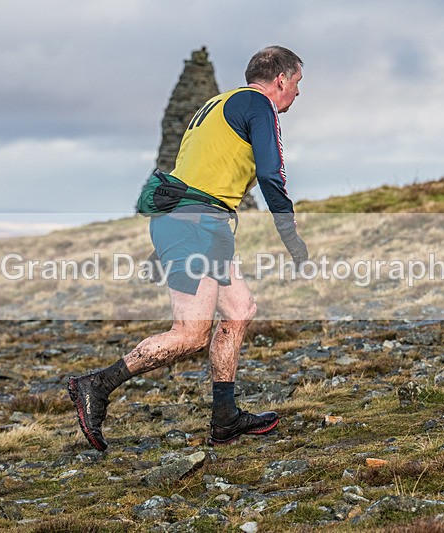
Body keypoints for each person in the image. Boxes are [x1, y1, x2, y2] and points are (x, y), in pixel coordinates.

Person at [68, 45, 308, 449]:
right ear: (281, 79)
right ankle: (96, 385)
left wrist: (163, 244)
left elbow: (192, 174)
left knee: (240, 310)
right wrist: (292, 237)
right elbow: (271, 175)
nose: (298, 93)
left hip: (195, 223)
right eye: (297, 83)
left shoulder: (215, 106)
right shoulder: (259, 105)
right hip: (196, 225)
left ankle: (225, 418)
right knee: (191, 334)